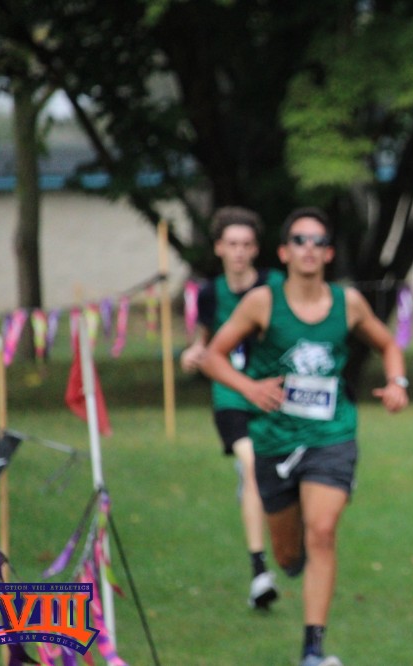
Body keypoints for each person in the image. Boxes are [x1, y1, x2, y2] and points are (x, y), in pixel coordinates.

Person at [201, 207, 409, 666]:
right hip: (274, 438)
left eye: (318, 241)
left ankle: (313, 649)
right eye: (299, 240)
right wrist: (250, 388)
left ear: (329, 253)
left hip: (331, 434)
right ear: (284, 252)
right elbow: (212, 356)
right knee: (288, 554)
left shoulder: (347, 302)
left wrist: (397, 382)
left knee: (323, 531)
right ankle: (291, 560)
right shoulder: (262, 302)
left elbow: (387, 343)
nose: (309, 248)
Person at [180, 206, 284, 610]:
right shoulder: (210, 293)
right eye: (232, 244)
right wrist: (193, 352)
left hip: (271, 394)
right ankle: (260, 572)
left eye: (246, 244)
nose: (239, 251)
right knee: (252, 465)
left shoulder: (276, 285)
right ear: (219, 248)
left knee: (274, 475)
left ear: (256, 249)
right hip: (230, 396)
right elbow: (204, 340)